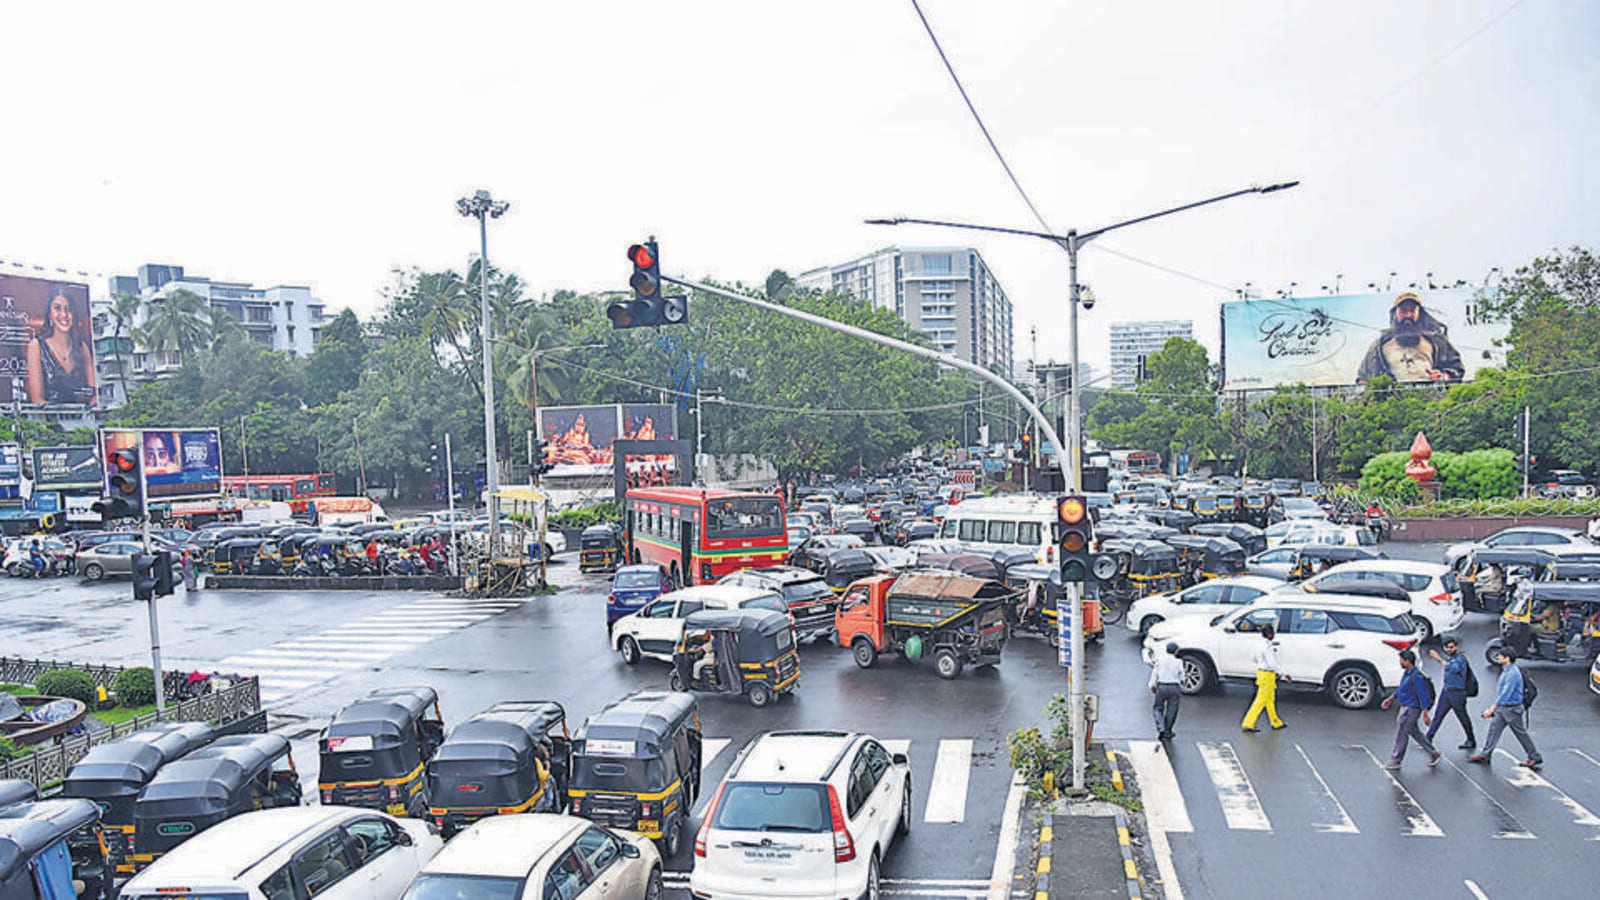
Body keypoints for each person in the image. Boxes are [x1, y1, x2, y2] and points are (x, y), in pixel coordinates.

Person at [1356, 292, 1466, 383]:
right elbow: (1363, 378)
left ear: (1419, 313)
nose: (1408, 315)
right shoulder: (1379, 346)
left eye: (1412, 310)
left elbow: (1457, 368)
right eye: (1403, 311)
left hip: (1432, 401)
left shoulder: (1437, 342)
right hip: (1393, 403)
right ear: (1395, 314)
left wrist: (1443, 376)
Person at [1469, 648, 1542, 768]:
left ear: (1507, 658)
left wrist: (1491, 709)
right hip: (1504, 708)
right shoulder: (1507, 670)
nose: (1498, 657)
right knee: (1494, 730)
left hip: (1512, 709)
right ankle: (1486, 754)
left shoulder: (1513, 673)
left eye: (1500, 656)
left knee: (1520, 733)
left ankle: (1534, 756)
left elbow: (1505, 694)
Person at [24, 287, 96, 405]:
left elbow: (94, 393)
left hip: (83, 420)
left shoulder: (81, 347)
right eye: (57, 308)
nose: (64, 314)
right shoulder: (36, 346)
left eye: (68, 309)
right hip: (49, 420)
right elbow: (37, 399)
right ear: (49, 314)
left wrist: (85, 415)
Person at [1380, 649, 1441, 769]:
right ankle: (1433, 753)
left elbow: (1423, 695)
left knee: (1402, 732)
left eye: (1401, 660)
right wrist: (1391, 698)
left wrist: (1425, 713)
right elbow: (1402, 688)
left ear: (1408, 661)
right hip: (1406, 706)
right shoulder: (1407, 673)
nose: (1400, 662)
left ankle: (1396, 760)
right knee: (1414, 731)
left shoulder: (1417, 677)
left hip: (1411, 709)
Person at [1427, 637, 1476, 749]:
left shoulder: (1460, 659)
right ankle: (1428, 738)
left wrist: (1438, 659)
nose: (1449, 649)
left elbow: (1454, 669)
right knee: (1438, 715)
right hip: (1447, 691)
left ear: (1456, 647)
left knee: (1462, 717)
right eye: (1447, 647)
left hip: (1457, 693)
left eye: (1452, 647)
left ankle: (1471, 739)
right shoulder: (1449, 658)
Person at [1241, 624, 1288, 732]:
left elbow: (1253, 657)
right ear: (1270, 634)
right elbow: (1272, 663)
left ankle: (1275, 722)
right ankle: (1248, 723)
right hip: (1268, 675)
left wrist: (1261, 663)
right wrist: (1283, 673)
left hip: (1261, 673)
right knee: (1261, 700)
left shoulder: (1258, 644)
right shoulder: (1267, 646)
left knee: (1269, 700)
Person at [1149, 641, 1184, 741]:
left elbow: (1155, 673)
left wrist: (1152, 685)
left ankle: (1161, 727)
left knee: (1158, 708)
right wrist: (1181, 682)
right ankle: (1168, 731)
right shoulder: (1178, 662)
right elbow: (1182, 675)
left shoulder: (1160, 661)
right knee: (1172, 709)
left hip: (1161, 686)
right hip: (1174, 687)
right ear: (1176, 652)